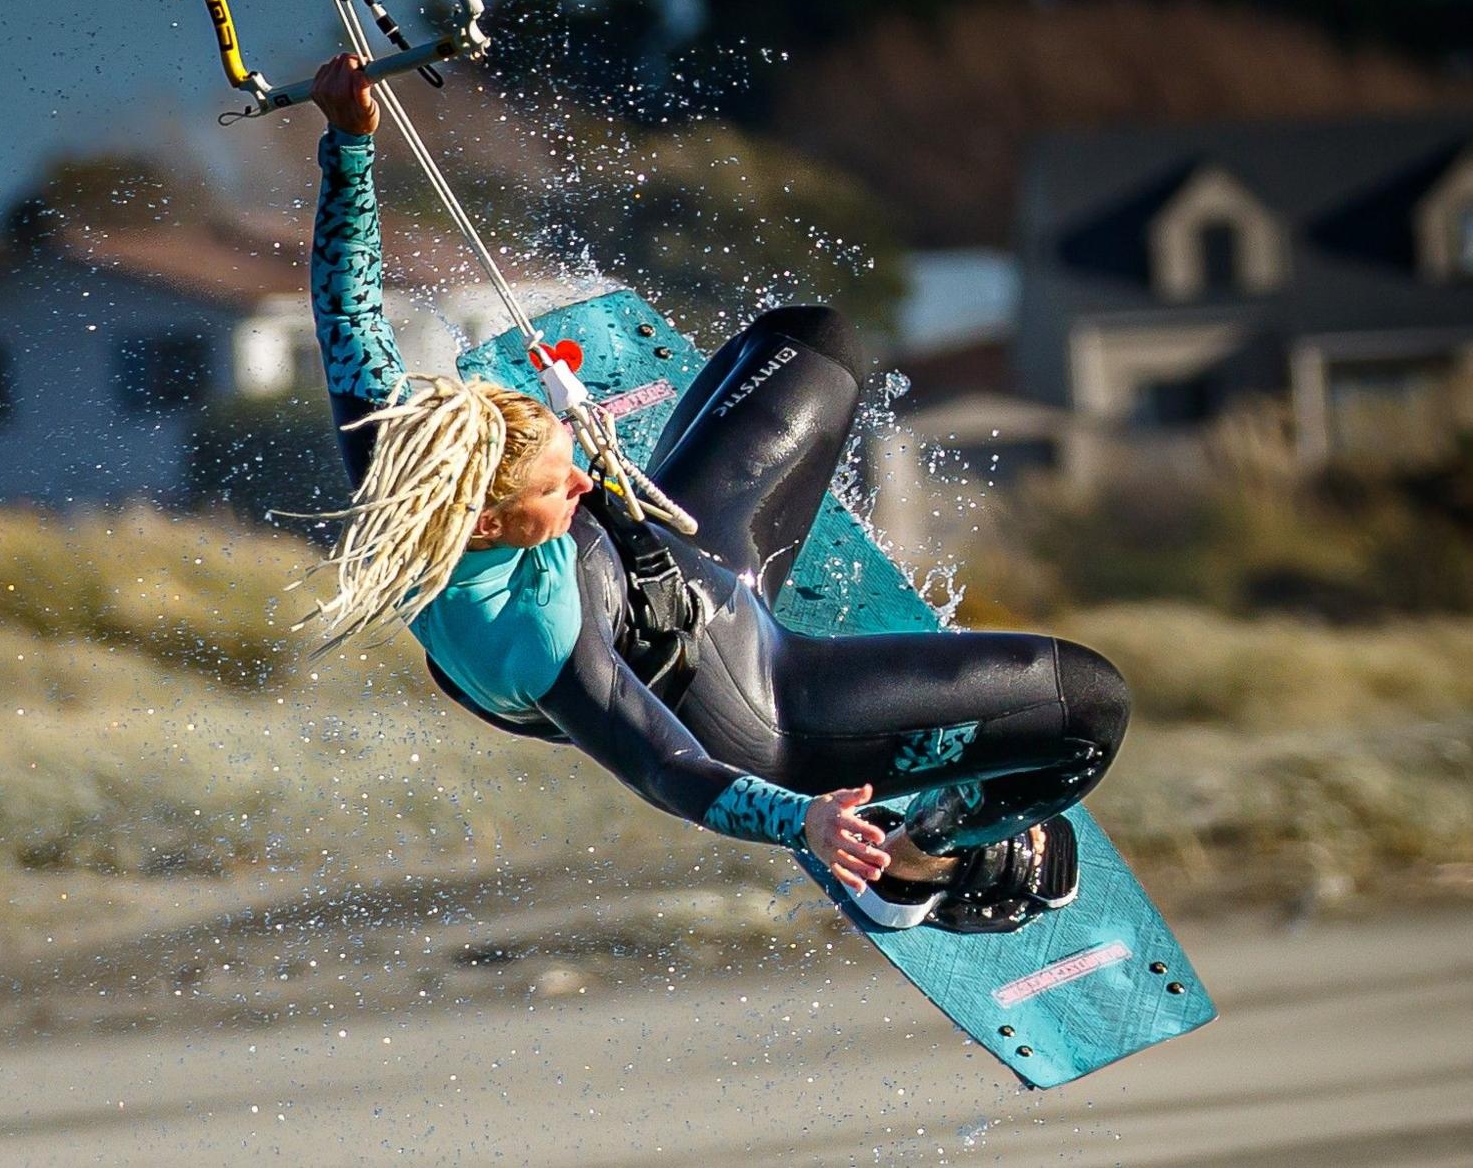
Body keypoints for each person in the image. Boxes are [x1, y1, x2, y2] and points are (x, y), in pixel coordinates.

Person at [304, 54, 1128, 933]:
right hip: (750, 702)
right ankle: (918, 859)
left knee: (815, 341)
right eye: (557, 483)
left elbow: (344, 304)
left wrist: (349, 143)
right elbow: (669, 768)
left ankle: (853, 719)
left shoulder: (398, 446)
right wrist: (800, 818)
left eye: (565, 453)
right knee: (1090, 704)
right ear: (491, 520)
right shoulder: (529, 637)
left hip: (685, 566)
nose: (584, 476)